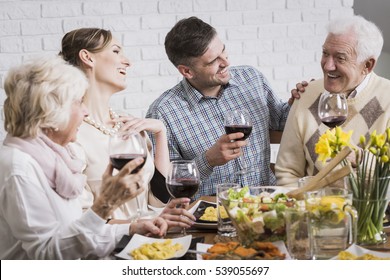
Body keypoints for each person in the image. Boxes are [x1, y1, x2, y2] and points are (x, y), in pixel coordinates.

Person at [0, 57, 168, 259]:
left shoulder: (57, 157)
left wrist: (132, 229)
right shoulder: (19, 168)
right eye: (79, 102)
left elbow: (75, 234)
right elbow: (46, 255)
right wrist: (104, 205)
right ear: (51, 112)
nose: (85, 111)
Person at [146, 16, 304, 197]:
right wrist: (208, 161)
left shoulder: (251, 78)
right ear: (187, 71)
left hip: (268, 204)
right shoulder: (163, 113)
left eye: (223, 50)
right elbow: (165, 188)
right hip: (211, 215)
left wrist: (300, 102)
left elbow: (283, 121)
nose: (226, 62)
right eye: (213, 61)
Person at [59, 28, 195, 228]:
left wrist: (160, 133)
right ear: (88, 57)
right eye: (116, 51)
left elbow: (159, 198)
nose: (127, 62)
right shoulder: (70, 136)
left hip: (149, 241)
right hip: (108, 250)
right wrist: (137, 225)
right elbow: (79, 220)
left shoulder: (129, 125)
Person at [275, 15, 390, 186]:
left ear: (367, 65)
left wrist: (361, 159)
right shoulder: (306, 95)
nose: (328, 66)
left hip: (369, 211)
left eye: (340, 58)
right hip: (313, 208)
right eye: (325, 53)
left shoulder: (387, 98)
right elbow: (287, 173)